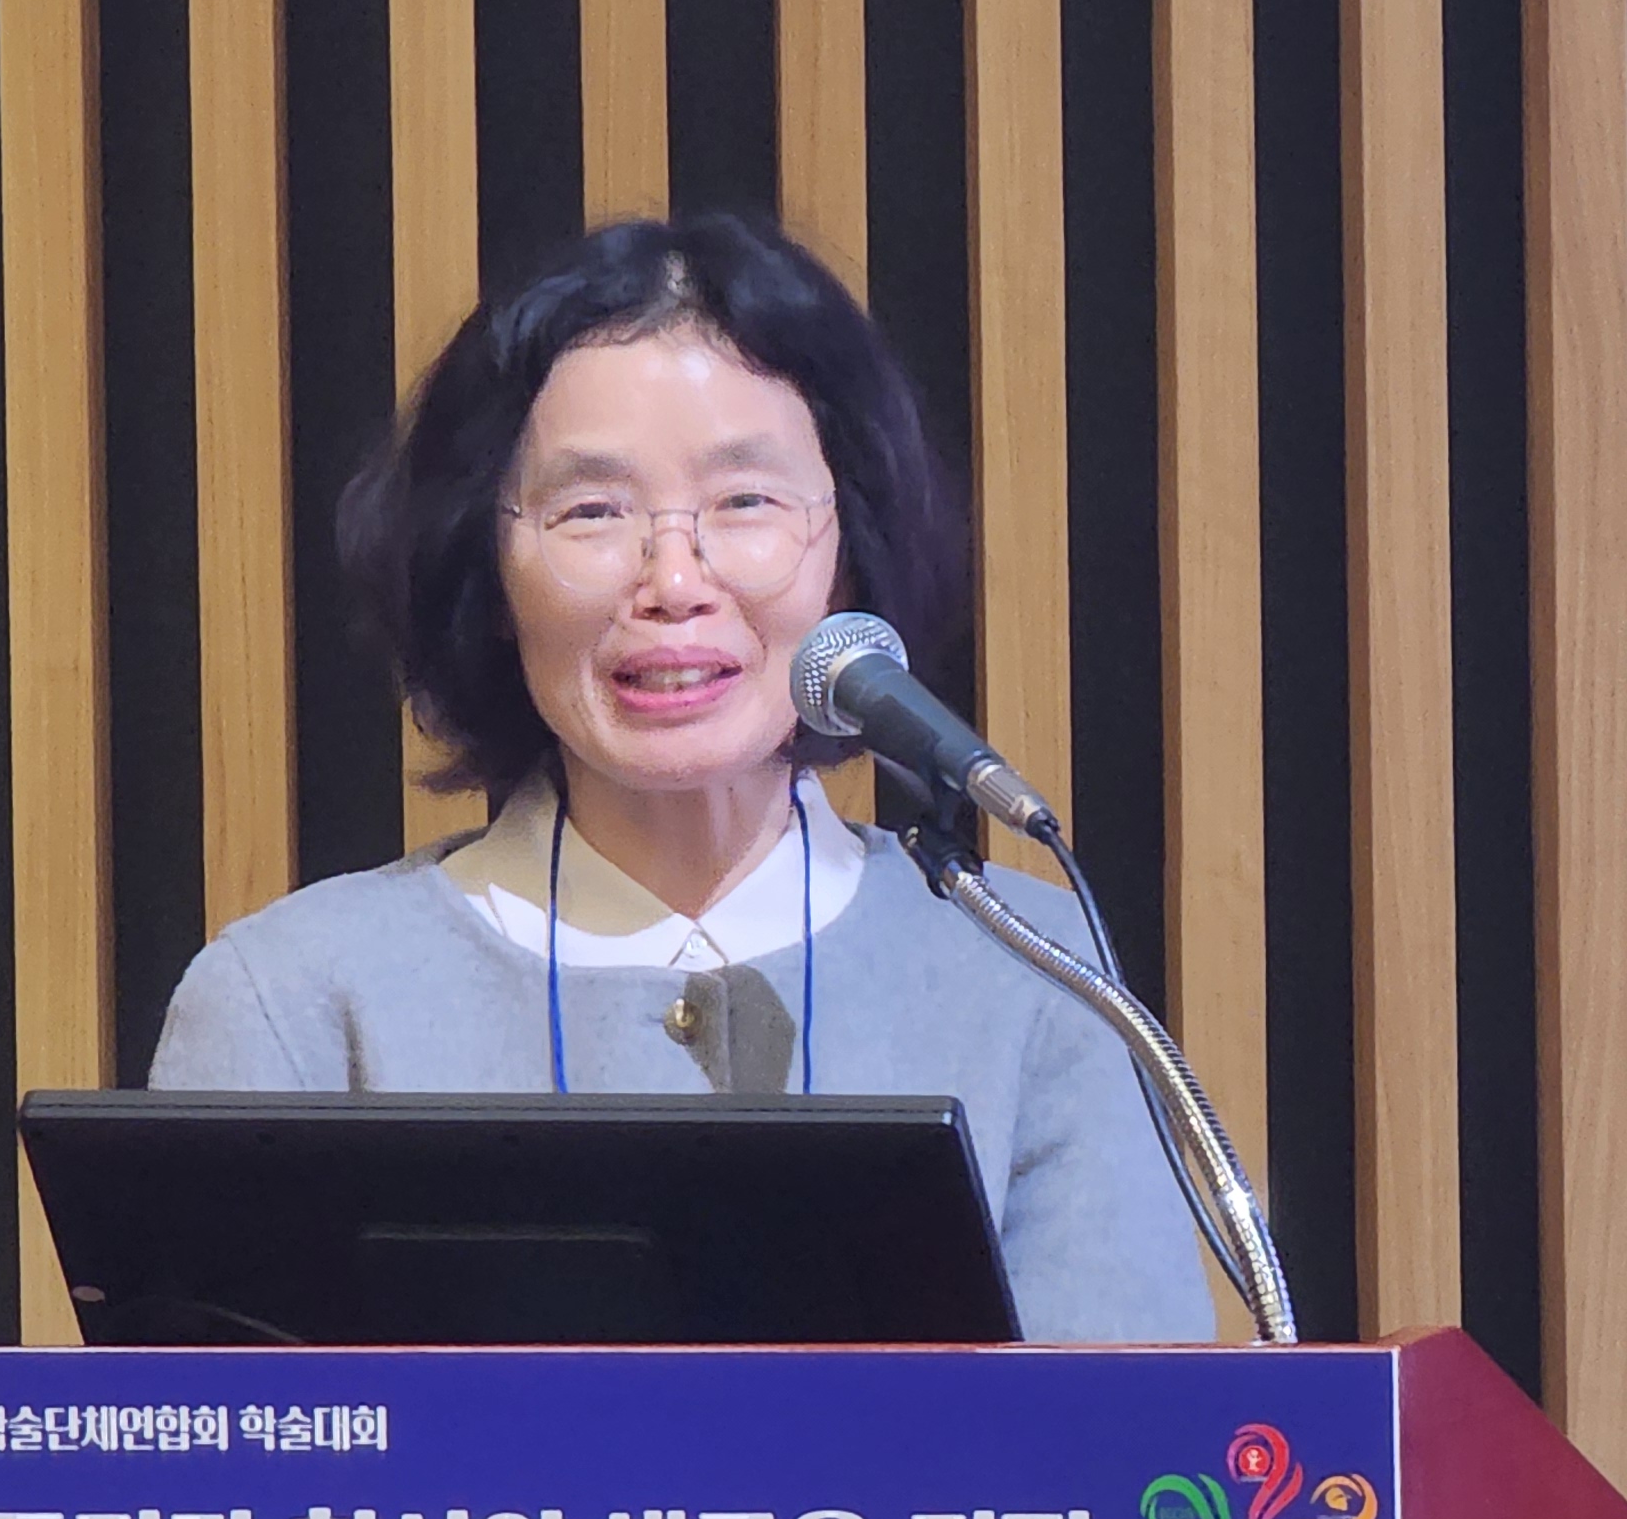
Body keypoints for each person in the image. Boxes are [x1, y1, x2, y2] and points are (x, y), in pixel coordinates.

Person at [147, 211, 1215, 1344]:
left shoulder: (1032, 971)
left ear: (848, 551)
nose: (672, 580)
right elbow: (208, 1448)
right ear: (487, 570)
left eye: (743, 503)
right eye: (593, 512)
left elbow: (1124, 1433)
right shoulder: (297, 999)